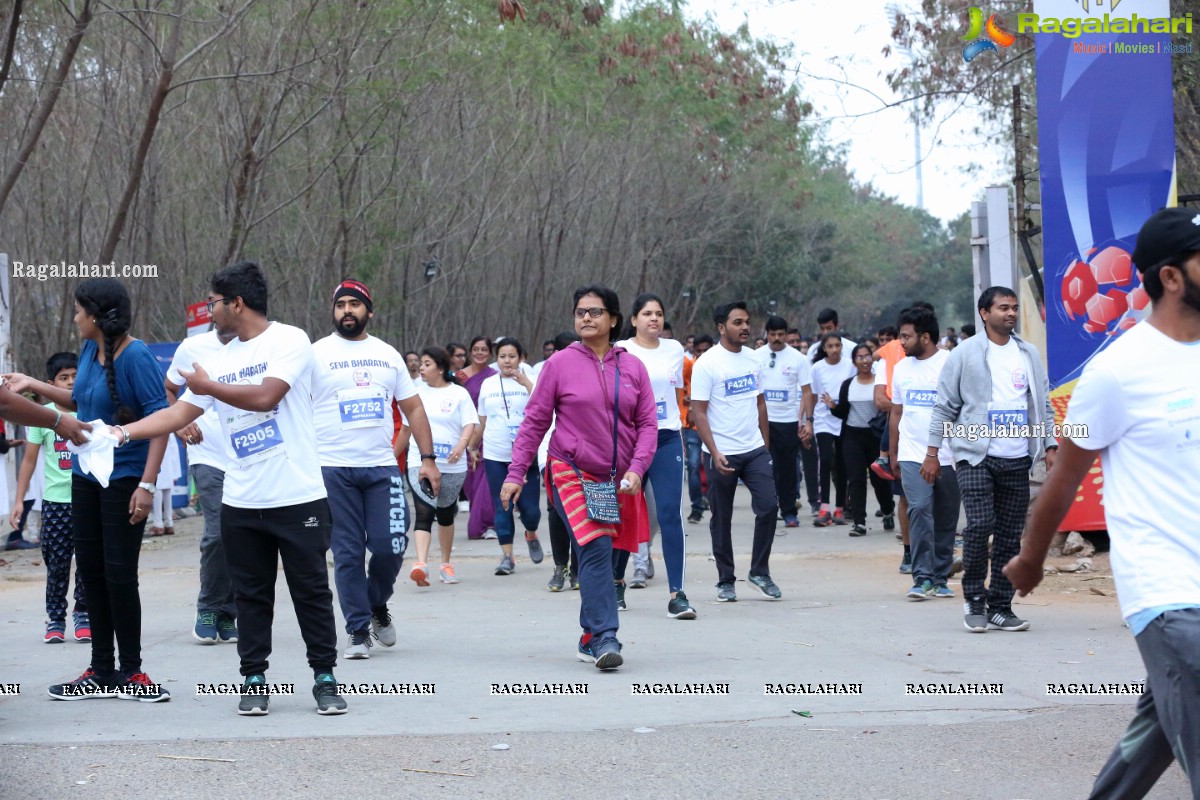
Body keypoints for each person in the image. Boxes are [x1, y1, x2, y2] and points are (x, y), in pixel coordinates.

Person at [1004, 207, 1200, 798]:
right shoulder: (1117, 371)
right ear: (1171, 278)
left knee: (1156, 734)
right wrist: (1032, 559)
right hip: (1169, 596)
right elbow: (1062, 481)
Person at [105, 261, 347, 715]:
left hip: (297, 497)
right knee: (250, 595)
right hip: (241, 499)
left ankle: (325, 677)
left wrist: (209, 386)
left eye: (214, 302)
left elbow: (265, 396)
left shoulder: (289, 340)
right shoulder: (217, 359)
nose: (209, 310)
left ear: (237, 303)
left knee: (311, 593)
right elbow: (178, 415)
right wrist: (122, 433)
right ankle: (254, 678)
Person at [7, 278, 172, 702]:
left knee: (120, 575)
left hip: (124, 480)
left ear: (97, 316)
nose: (75, 317)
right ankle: (101, 670)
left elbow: (163, 421)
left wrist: (147, 485)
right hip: (86, 477)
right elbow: (79, 404)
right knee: (92, 573)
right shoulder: (89, 350)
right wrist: (32, 383)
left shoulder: (137, 356)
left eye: (80, 310)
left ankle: (132, 673)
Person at [500, 285, 657, 670]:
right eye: (580, 311)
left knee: (604, 553)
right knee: (595, 548)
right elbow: (535, 421)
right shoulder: (560, 364)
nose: (586, 317)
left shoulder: (632, 366)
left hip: (617, 478)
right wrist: (516, 472)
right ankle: (606, 636)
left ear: (614, 319)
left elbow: (648, 425)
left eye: (595, 311)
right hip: (570, 468)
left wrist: (637, 469)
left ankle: (589, 635)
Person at [312, 279, 438, 659]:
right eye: (341, 305)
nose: (347, 310)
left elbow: (413, 408)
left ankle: (376, 604)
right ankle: (356, 631)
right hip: (333, 468)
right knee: (348, 553)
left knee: (391, 545)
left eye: (354, 304)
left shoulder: (387, 354)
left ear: (369, 311)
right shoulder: (314, 354)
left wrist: (428, 459)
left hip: (381, 468)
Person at [929, 286, 1055, 633]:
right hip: (974, 453)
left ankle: (1000, 606)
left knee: (1010, 535)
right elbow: (944, 406)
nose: (1011, 313)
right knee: (981, 524)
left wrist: (1050, 444)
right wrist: (931, 452)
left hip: (1017, 456)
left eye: (1014, 308)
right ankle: (973, 599)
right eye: (1003, 308)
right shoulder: (964, 354)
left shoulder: (1028, 354)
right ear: (985, 313)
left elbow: (1041, 403)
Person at [691, 301, 782, 602]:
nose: (745, 327)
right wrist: (714, 451)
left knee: (769, 506)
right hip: (722, 452)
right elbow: (699, 413)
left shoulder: (753, 360)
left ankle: (759, 571)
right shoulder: (707, 363)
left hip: (754, 449)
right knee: (722, 518)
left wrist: (765, 447)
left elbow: (760, 403)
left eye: (746, 322)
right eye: (737, 322)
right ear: (721, 327)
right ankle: (725, 579)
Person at [617, 293, 696, 619]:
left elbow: (675, 392)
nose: (654, 318)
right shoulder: (620, 350)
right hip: (629, 440)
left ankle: (677, 594)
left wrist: (677, 421)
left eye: (659, 314)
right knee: (623, 513)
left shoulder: (675, 349)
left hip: (665, 438)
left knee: (669, 514)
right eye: (647, 313)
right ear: (634, 319)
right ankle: (615, 582)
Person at [165, 324, 237, 644]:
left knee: (241, 534)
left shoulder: (260, 347)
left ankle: (228, 612)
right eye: (211, 304)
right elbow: (167, 389)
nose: (214, 311)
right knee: (218, 531)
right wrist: (181, 423)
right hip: (206, 452)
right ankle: (208, 607)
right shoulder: (191, 347)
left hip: (249, 456)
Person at [10, 353, 88, 644]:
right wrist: (19, 500)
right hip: (55, 502)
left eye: (74, 376)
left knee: (88, 561)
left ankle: (84, 613)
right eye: (63, 378)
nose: (70, 382)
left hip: (87, 498)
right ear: (50, 384)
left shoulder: (91, 410)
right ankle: (55, 618)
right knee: (56, 562)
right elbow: (28, 462)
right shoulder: (42, 417)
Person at [888, 304, 959, 602]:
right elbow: (896, 412)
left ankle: (941, 577)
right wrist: (892, 453)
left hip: (950, 455)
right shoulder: (902, 368)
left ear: (925, 337)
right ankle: (921, 576)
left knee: (945, 518)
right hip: (911, 452)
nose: (901, 343)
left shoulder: (951, 363)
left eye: (906, 337)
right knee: (918, 509)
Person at [403, 347, 477, 584]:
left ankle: (446, 564)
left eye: (426, 364)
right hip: (419, 461)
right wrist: (390, 459)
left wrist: (462, 445)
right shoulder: (415, 393)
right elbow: (406, 429)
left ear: (441, 368)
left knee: (445, 513)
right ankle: (421, 564)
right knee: (424, 511)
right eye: (421, 364)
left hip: (453, 465)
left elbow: (469, 423)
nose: (421, 368)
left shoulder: (459, 394)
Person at [474, 337, 544, 575]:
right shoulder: (488, 384)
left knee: (530, 510)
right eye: (502, 356)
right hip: (495, 453)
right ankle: (507, 557)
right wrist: (472, 447)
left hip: (526, 456)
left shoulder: (532, 381)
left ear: (521, 357)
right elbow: (481, 420)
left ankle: (531, 533)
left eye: (511, 356)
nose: (507, 361)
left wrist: (526, 383)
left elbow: (545, 407)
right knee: (501, 505)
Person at [754, 315, 813, 528]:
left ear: (787, 335)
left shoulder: (798, 359)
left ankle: (788, 511)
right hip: (762, 421)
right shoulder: (755, 356)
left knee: (787, 469)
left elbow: (807, 392)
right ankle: (765, 509)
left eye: (781, 334)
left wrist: (808, 421)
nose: (777, 338)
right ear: (766, 334)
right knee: (762, 467)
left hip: (788, 421)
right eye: (773, 334)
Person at [831, 344, 894, 536]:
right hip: (852, 436)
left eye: (867, 356)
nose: (865, 360)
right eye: (860, 357)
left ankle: (887, 510)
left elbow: (886, 408)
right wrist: (832, 406)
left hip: (875, 437)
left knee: (878, 479)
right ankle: (859, 522)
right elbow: (843, 411)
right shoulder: (848, 384)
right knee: (856, 479)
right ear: (854, 362)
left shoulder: (880, 383)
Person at [540, 331, 581, 592]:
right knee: (556, 513)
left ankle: (577, 569)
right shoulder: (549, 373)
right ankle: (559, 566)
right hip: (553, 456)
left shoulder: (588, 375)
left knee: (580, 515)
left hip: (583, 459)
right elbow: (537, 420)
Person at [811, 333, 854, 526]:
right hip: (823, 419)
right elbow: (812, 395)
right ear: (824, 348)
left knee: (842, 463)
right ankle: (824, 508)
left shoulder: (849, 365)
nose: (834, 349)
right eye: (830, 346)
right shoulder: (817, 368)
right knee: (826, 461)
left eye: (838, 345)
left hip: (843, 418)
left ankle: (839, 508)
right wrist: (807, 420)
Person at [459, 337, 497, 540]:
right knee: (470, 482)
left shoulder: (494, 377)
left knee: (485, 482)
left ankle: (488, 524)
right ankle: (477, 518)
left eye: (484, 349)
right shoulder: (459, 376)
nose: (480, 353)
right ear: (470, 352)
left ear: (490, 353)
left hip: (487, 433)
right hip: (465, 433)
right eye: (476, 349)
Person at [683, 334, 714, 524]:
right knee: (693, 465)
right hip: (692, 424)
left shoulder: (719, 366)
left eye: (706, 350)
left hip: (715, 425)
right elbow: (677, 386)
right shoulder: (688, 367)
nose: (702, 354)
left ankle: (714, 501)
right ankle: (697, 507)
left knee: (714, 466)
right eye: (699, 351)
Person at [147, 433, 181, 536]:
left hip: (159, 461)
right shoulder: (169, 430)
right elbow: (174, 449)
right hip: (168, 462)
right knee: (166, 491)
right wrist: (176, 471)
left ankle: (158, 524)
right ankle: (169, 523)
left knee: (157, 489)